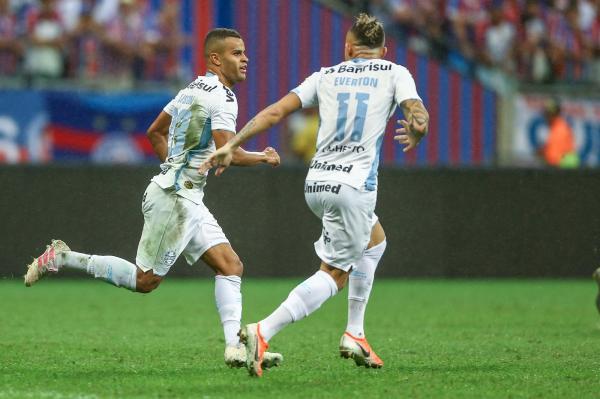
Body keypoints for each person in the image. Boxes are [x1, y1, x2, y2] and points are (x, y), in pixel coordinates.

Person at [24, 28, 283, 369]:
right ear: (216, 59)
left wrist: (177, 168)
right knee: (145, 281)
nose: (245, 58)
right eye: (237, 53)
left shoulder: (190, 88)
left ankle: (235, 346)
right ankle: (62, 257)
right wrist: (263, 157)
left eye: (244, 52)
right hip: (176, 200)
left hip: (184, 194)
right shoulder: (223, 96)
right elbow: (228, 152)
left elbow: (154, 131)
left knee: (230, 265)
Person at [202, 14, 429, 377]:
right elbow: (415, 112)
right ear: (383, 51)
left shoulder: (326, 75)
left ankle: (355, 333)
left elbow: (276, 111)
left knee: (375, 241)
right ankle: (263, 331)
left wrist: (232, 144)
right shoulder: (395, 71)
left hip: (317, 183)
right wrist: (419, 127)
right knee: (335, 274)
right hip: (354, 188)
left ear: (348, 49)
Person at [539, 98, 579, 168]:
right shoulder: (557, 127)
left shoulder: (559, 130)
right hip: (564, 169)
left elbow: (553, 158)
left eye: (547, 114)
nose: (545, 117)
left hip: (563, 171)